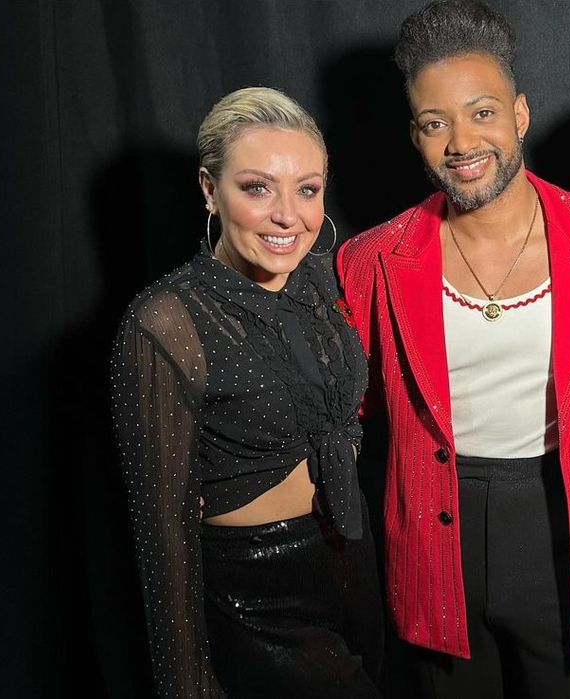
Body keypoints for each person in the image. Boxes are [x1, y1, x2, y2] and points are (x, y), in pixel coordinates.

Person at [336, 2, 570, 696]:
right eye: (433, 122)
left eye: (480, 113)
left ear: (520, 115)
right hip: (432, 540)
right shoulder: (370, 261)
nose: (459, 141)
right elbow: (341, 417)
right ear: (413, 136)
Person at [111, 87, 383, 698]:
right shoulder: (165, 323)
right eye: (258, 188)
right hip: (254, 595)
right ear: (210, 189)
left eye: (307, 189)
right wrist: (187, 683)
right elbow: (164, 535)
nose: (289, 215)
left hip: (351, 560)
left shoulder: (318, 280)